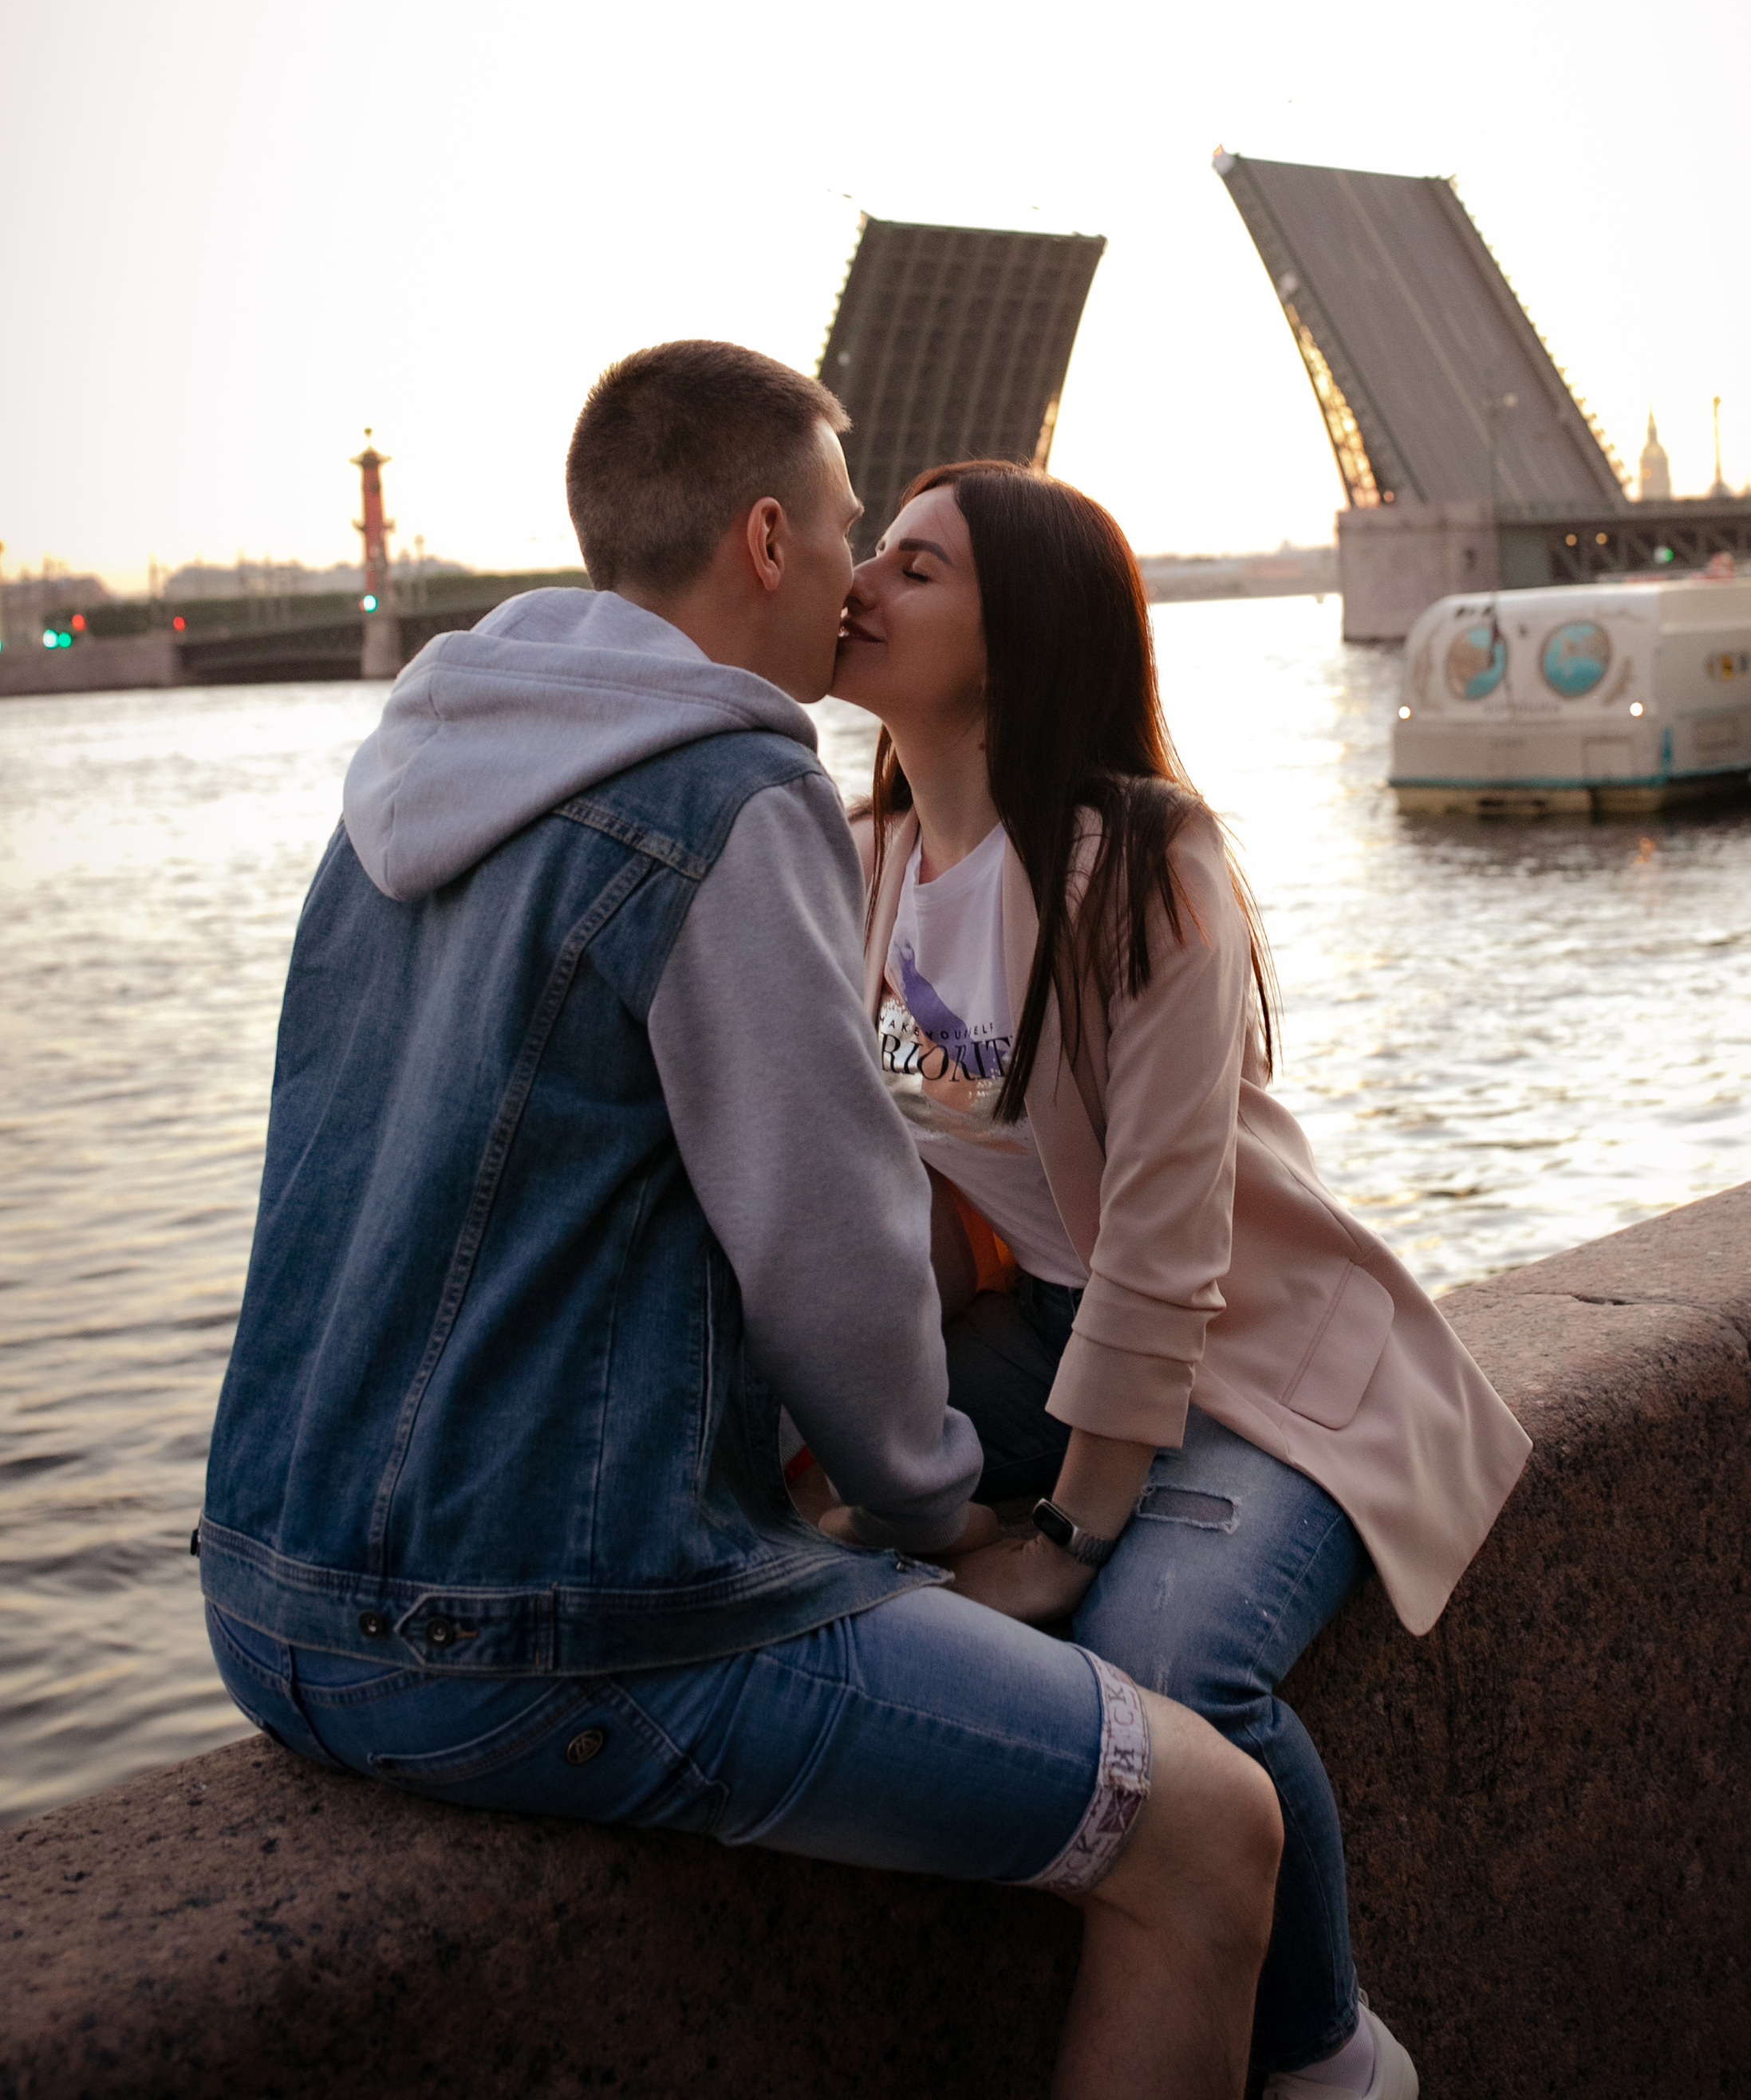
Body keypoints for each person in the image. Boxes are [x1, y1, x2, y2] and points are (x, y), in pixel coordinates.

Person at [196, 342, 1283, 2100]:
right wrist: (933, 1509)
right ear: (767, 540)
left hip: (265, 1610)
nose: (861, 575)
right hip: (558, 1627)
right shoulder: (733, 796)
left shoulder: (393, 799)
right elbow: (829, 1247)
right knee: (1212, 1830)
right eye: (853, 530)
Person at [832, 459, 1535, 2100]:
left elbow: (1160, 1253)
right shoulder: (864, 860)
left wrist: (1064, 1537)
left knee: (1162, 1671)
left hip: (1259, 1369)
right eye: (872, 551)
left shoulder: (1142, 867)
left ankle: (1330, 2062)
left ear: (1015, 643)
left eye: (917, 571)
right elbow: (908, 1171)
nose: (862, 581)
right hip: (1047, 1338)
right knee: (796, 1543)